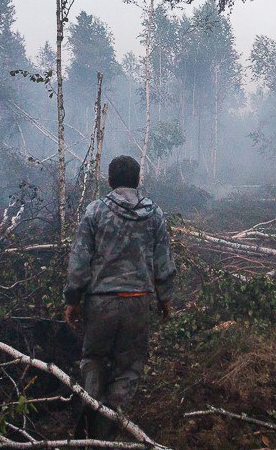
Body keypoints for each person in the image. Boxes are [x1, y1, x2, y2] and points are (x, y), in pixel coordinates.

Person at [64, 154, 175, 439]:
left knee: (94, 360)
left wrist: (72, 299)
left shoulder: (95, 211)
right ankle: (108, 426)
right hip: (138, 301)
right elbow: (163, 261)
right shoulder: (155, 214)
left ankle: (90, 414)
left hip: (100, 302)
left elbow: (80, 259)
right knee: (130, 367)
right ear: (137, 181)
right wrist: (165, 299)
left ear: (110, 181)